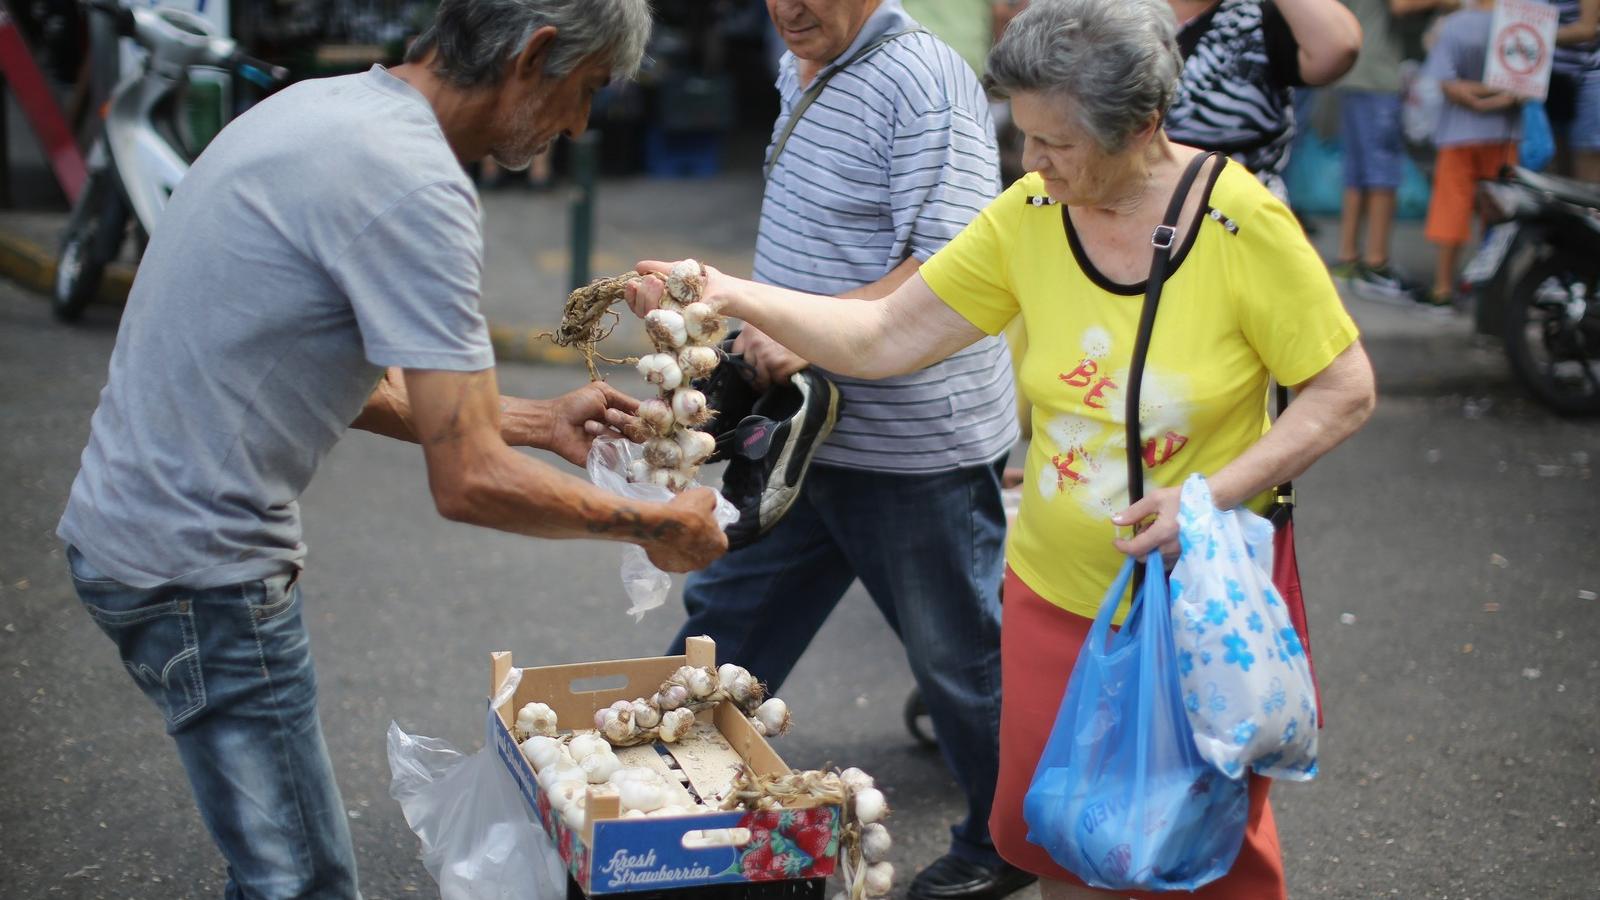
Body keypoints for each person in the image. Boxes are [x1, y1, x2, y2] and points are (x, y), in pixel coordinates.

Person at [630, 1, 1378, 896]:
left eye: (1056, 143)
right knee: (1055, 845)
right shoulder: (1030, 213)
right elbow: (880, 338)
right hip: (1052, 597)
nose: (1032, 163)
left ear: (1143, 127)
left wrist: (1209, 496)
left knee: (1196, 859)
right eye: (1023, 135)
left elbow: (1344, 391)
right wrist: (729, 294)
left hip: (1192, 609)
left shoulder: (1240, 224)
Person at [55, 0, 727, 894]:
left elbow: (314, 364)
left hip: (127, 533)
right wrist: (650, 523)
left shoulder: (331, 110)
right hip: (197, 572)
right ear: (533, 56)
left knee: (275, 870)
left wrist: (529, 420)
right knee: (301, 882)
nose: (579, 123)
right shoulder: (416, 186)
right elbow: (470, 480)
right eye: (587, 88)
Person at [668, 3, 1027, 899]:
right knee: (726, 626)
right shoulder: (804, 59)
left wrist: (813, 333)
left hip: (915, 442)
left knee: (961, 658)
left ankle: (1008, 842)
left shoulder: (924, 79)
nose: (790, 6)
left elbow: (956, 262)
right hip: (808, 427)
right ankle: (657, 817)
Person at [1164, 0, 1363, 201]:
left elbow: (1340, 47)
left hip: (1238, 213)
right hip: (1140, 213)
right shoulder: (1136, 18)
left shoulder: (1256, 16)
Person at [1331, 0, 1459, 299]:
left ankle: (1349, 256)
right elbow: (1402, 5)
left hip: (1355, 72)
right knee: (1382, 172)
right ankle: (1376, 262)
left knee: (1358, 172)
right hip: (1376, 76)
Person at [1418, 0, 1522, 306]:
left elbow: (1446, 84)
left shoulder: (1455, 24)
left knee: (1451, 207)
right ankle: (1491, 290)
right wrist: (1498, 97)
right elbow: (1525, 87)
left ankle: (1443, 288)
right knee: (1500, 212)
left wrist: (1475, 99)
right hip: (1504, 135)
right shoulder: (1522, 22)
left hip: (1458, 133)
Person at [1550, 0, 1600, 181]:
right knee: (1557, 173)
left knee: (1587, 178)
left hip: (1587, 79)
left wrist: (1536, 35)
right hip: (1550, 79)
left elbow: (1587, 29)